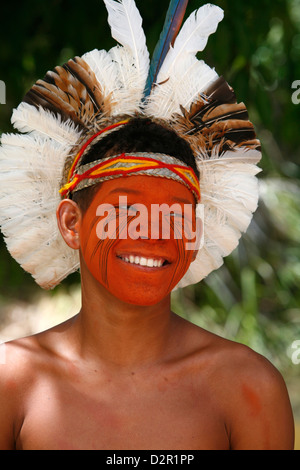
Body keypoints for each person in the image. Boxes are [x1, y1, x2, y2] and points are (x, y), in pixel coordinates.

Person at [0, 0, 294, 450]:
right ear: (71, 222)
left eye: (175, 215)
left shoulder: (246, 388)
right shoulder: (12, 385)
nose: (152, 232)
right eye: (124, 210)